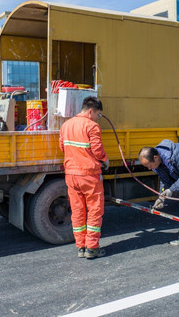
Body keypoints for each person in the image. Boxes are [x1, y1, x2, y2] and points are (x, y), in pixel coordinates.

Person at [59, 97, 109, 259]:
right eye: (97, 114)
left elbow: (62, 147)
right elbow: (97, 150)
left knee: (78, 211)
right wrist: (105, 160)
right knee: (95, 210)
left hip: (71, 175)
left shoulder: (66, 125)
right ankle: (92, 248)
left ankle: (81, 247)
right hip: (89, 175)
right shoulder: (92, 126)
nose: (97, 117)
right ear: (91, 111)